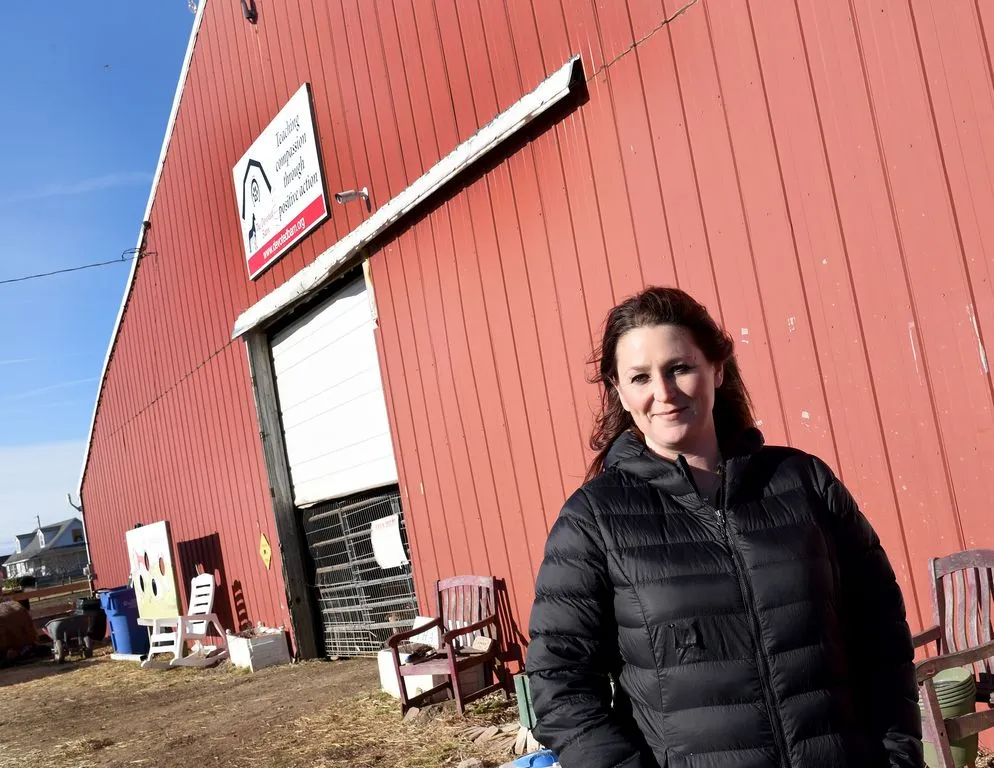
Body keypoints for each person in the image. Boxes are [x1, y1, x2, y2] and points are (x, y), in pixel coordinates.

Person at [526, 287, 921, 768]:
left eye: (679, 368)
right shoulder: (593, 520)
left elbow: (881, 633)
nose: (664, 393)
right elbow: (560, 684)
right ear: (619, 390)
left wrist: (898, 756)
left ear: (717, 368)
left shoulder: (803, 483)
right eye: (640, 377)